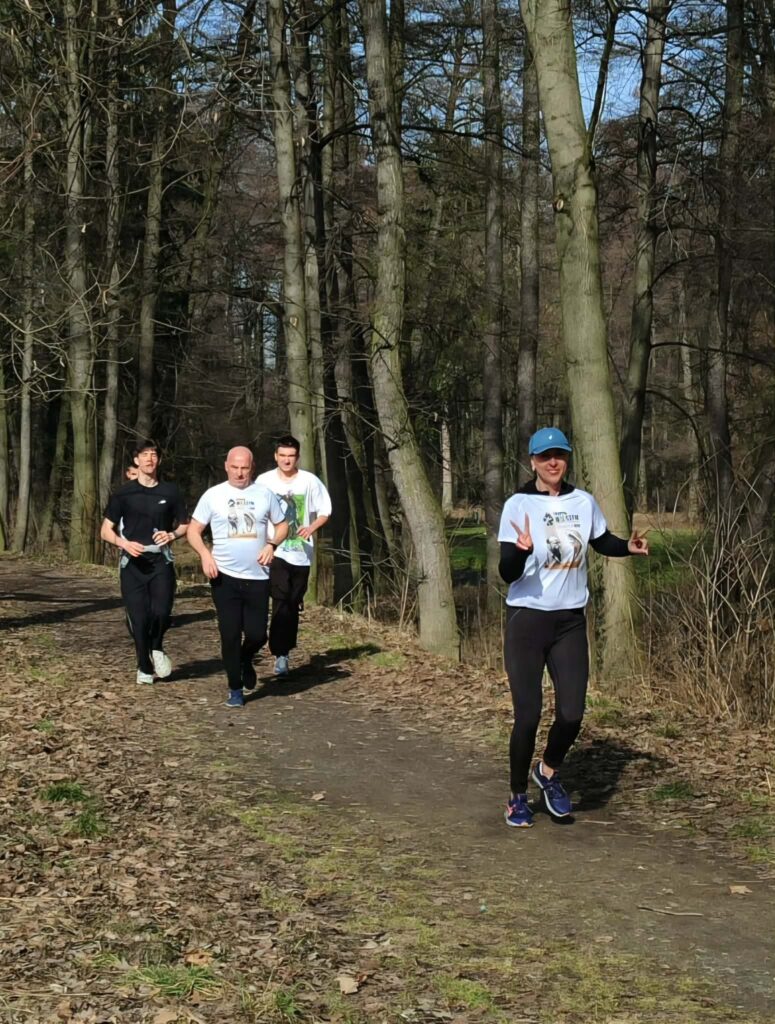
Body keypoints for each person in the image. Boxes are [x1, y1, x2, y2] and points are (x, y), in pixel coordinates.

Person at [497, 427, 649, 828]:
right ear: (532, 462)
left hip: (569, 621)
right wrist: (521, 552)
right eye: (545, 457)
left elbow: (601, 540)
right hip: (527, 619)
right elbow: (506, 572)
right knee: (528, 715)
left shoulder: (583, 501)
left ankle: (546, 772)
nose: (553, 462)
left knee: (572, 713)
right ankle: (516, 798)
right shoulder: (518, 505)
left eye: (560, 455)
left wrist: (627, 547)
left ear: (567, 459)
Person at [187, 446, 289, 707]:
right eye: (235, 467)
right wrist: (205, 555)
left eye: (244, 468)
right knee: (230, 633)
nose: (239, 473)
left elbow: (283, 525)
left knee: (258, 634)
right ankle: (235, 688)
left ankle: (245, 658)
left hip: (258, 576)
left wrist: (272, 545)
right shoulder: (213, 495)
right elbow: (193, 530)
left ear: (252, 467)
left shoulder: (264, 494)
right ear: (226, 466)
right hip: (224, 576)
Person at [101, 440, 189, 684]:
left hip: (161, 561)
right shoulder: (124, 493)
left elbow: (185, 525)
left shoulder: (170, 492)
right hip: (133, 563)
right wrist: (124, 543)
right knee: (139, 619)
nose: (150, 459)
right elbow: (105, 531)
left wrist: (171, 535)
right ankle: (143, 666)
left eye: (154, 454)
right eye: (145, 454)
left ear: (158, 460)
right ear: (136, 460)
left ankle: (156, 647)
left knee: (161, 612)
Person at [257, 435, 332, 676]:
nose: (287, 460)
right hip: (274, 550)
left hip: (301, 552)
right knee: (280, 598)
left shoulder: (310, 481)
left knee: (291, 601)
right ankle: (280, 654)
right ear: (275, 456)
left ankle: (284, 650)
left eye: (291, 456)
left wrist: (311, 527)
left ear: (297, 457)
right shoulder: (264, 481)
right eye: (283, 456)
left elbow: (325, 511)